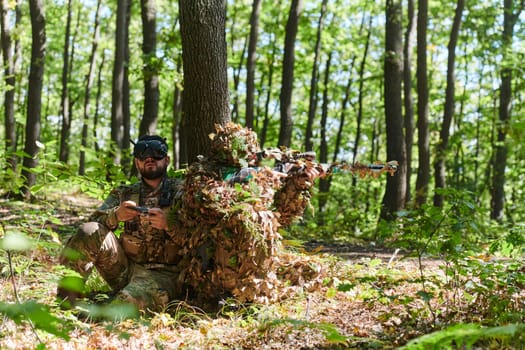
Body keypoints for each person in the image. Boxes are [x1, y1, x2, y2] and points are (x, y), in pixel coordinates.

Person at [57, 135, 184, 313]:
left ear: (167, 160)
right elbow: (90, 226)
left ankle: (107, 308)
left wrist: (168, 225)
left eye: (156, 154)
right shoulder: (124, 193)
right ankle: (66, 303)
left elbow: (201, 240)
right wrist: (115, 216)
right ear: (136, 162)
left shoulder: (183, 192)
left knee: (124, 306)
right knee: (90, 230)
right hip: (125, 270)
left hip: (166, 276)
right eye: (142, 155)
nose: (149, 159)